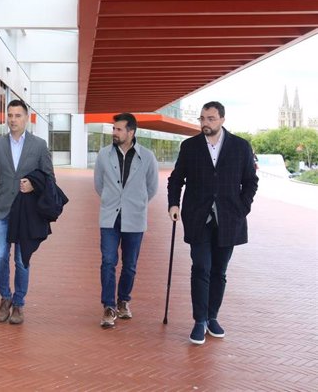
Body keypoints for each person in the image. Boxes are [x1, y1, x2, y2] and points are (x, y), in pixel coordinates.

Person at [167, 101, 258, 345]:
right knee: (201, 268)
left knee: (219, 271)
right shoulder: (190, 147)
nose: (205, 123)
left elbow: (250, 181)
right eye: (202, 119)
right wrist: (173, 204)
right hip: (198, 218)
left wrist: (242, 208)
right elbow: (176, 179)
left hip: (229, 219)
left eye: (210, 119)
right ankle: (199, 321)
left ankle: (212, 317)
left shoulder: (240, 146)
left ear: (222, 119)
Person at [0, 99, 54, 325]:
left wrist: (33, 185)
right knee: (0, 255)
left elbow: (50, 178)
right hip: (2, 210)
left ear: (27, 118)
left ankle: (19, 303)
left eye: (17, 115)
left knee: (22, 260)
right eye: (10, 115)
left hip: (26, 213)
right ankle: (5, 297)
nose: (13, 119)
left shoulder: (39, 145)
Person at [93, 113, 158, 327]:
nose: (114, 132)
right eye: (114, 129)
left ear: (131, 132)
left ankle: (123, 301)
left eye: (119, 129)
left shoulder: (147, 157)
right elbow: (98, 185)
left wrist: (135, 203)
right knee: (108, 261)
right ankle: (109, 306)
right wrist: (113, 200)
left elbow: (151, 188)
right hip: (110, 217)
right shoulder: (103, 155)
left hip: (135, 218)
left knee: (130, 265)